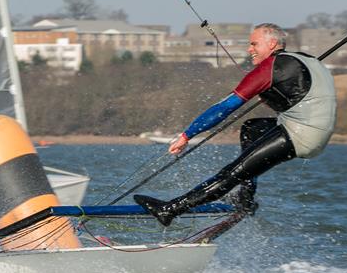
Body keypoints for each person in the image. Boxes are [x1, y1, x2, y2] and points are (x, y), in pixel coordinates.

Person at [135, 23, 336, 227]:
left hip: (299, 134)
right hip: (314, 131)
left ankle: (169, 210)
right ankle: (246, 197)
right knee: (251, 128)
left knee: (232, 173)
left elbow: (225, 107)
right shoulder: (305, 60)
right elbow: (300, 98)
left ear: (272, 44)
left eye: (254, 44)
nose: (250, 50)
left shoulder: (272, 67)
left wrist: (187, 135)